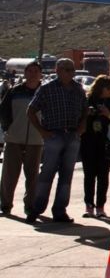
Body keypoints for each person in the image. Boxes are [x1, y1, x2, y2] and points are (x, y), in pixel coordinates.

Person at [26, 58, 88, 223]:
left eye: (72, 70)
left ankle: (60, 211)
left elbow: (85, 109)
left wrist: (82, 127)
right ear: (57, 71)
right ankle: (36, 209)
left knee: (66, 175)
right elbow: (31, 110)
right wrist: (42, 131)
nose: (70, 73)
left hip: (72, 136)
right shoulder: (47, 89)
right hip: (53, 136)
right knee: (47, 173)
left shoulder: (78, 89)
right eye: (66, 69)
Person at [0, 60, 44, 216]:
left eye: (36, 71)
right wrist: (8, 128)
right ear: (25, 73)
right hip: (14, 139)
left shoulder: (45, 92)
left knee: (33, 177)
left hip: (36, 140)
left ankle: (30, 206)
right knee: (9, 175)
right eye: (30, 71)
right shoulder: (14, 92)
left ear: (40, 74)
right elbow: (3, 112)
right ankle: (5, 205)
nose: (33, 74)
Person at [80, 75, 110, 218]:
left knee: (103, 175)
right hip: (88, 140)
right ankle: (89, 206)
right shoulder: (87, 98)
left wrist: (108, 114)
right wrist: (88, 113)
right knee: (89, 175)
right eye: (109, 88)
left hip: (106, 141)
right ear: (100, 88)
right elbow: (79, 117)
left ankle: (100, 207)